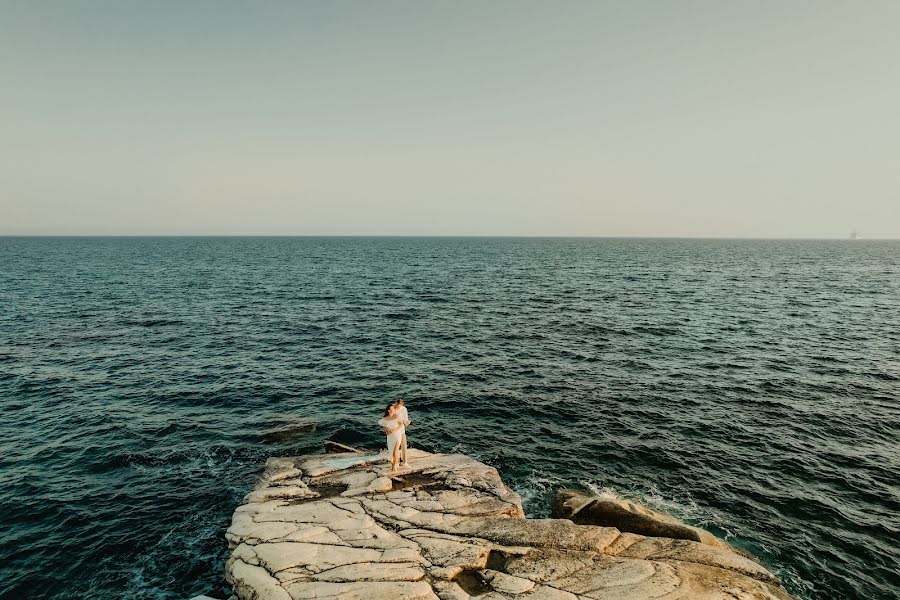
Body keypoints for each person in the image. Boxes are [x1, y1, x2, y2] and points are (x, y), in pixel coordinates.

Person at [377, 403, 404, 473]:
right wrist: (386, 430)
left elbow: (401, 425)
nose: (394, 409)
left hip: (397, 435)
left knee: (395, 452)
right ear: (389, 410)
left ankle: (394, 468)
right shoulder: (385, 419)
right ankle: (394, 465)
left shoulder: (397, 416)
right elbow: (382, 427)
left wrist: (395, 430)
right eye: (392, 408)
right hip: (390, 437)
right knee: (391, 453)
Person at [393, 398, 411, 466]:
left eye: (400, 406)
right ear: (396, 403)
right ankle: (396, 463)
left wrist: (407, 422)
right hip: (394, 431)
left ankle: (405, 463)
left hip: (402, 430)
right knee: (396, 447)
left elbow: (405, 421)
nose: (399, 407)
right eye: (398, 405)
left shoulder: (404, 409)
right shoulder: (392, 408)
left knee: (404, 446)